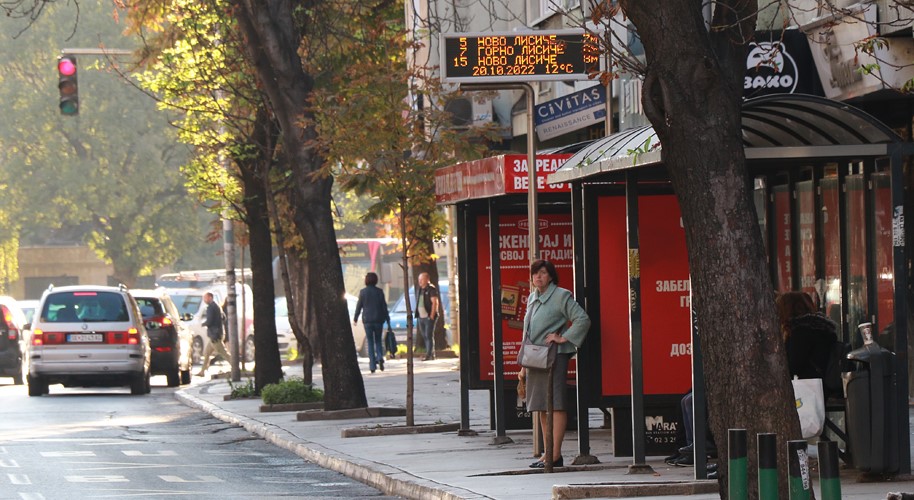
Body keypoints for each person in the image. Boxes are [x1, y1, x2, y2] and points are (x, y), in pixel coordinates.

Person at [520, 259, 590, 469]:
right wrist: (522, 366)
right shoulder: (533, 298)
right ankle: (546, 453)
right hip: (534, 358)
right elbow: (527, 332)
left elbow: (582, 319)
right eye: (535, 273)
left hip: (554, 356)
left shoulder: (561, 295)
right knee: (542, 405)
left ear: (550, 276)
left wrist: (563, 338)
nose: (538, 277)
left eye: (542, 273)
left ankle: (555, 454)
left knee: (556, 404)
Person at [776, 290, 838, 392]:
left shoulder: (800, 332)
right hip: (823, 385)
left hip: (807, 387)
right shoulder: (822, 328)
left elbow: (794, 365)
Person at [353, 272, 391, 373]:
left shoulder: (363, 292)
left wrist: (356, 318)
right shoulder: (379, 292)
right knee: (378, 340)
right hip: (379, 319)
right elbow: (384, 306)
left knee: (370, 342)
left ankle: (372, 365)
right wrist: (387, 318)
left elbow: (359, 306)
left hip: (367, 320)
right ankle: (379, 357)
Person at [197, 292, 234, 376]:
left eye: (205, 298)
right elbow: (224, 318)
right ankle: (203, 371)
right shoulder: (217, 306)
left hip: (215, 335)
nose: (204, 300)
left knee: (223, 352)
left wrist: (203, 324)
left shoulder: (210, 307)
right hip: (218, 333)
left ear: (210, 297)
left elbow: (209, 321)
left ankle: (235, 366)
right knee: (206, 353)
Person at [415, 272, 440, 360]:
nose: (420, 281)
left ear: (427, 279)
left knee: (428, 335)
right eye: (419, 279)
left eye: (422, 279)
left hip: (428, 316)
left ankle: (429, 355)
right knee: (424, 335)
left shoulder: (431, 289)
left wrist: (432, 315)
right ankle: (430, 353)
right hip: (421, 316)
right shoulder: (420, 289)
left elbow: (435, 302)